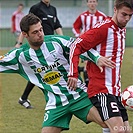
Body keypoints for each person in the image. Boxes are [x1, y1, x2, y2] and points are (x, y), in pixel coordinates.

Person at [0, 13, 115, 133]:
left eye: (41, 30)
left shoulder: (57, 42)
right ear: (25, 34)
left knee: (108, 122)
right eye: (35, 32)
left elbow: (79, 46)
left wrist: (97, 58)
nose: (40, 34)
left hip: (78, 95)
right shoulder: (20, 55)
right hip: (56, 103)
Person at [68, 0, 133, 133]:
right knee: (119, 130)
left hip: (115, 90)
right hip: (101, 89)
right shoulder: (104, 28)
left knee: (126, 130)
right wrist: (73, 73)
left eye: (130, 16)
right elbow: (76, 45)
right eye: (124, 14)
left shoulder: (121, 29)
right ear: (115, 9)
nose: (126, 19)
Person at [16, 0, 63, 109]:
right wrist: (19, 43)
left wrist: (62, 40)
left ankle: (24, 98)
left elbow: (57, 26)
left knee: (43, 72)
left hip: (49, 46)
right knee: (42, 72)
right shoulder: (35, 8)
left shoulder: (53, 9)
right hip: (38, 45)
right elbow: (25, 27)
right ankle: (51, 99)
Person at [72, 0, 106, 87]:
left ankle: (90, 80)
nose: (92, 3)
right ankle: (88, 84)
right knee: (88, 64)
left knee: (96, 64)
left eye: (94, 1)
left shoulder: (102, 17)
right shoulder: (83, 16)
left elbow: (106, 29)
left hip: (98, 46)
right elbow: (75, 27)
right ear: (87, 3)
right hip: (86, 45)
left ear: (97, 3)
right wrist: (78, 35)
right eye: (90, 1)